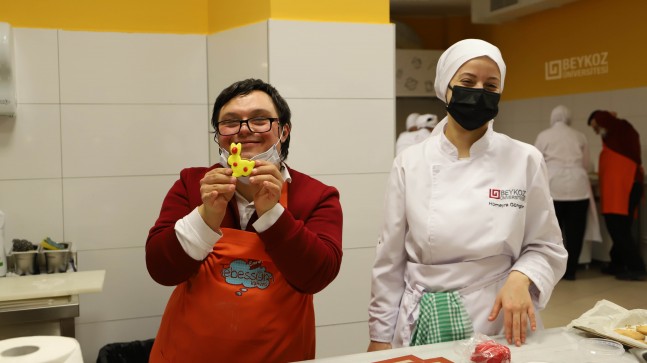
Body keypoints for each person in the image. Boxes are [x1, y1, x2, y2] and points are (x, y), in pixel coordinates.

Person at [368, 39, 567, 352]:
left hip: (500, 316)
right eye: (467, 82)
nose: (479, 92)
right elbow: (390, 261)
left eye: (491, 84)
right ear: (446, 88)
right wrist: (380, 335)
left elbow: (547, 245)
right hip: (426, 317)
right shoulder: (411, 161)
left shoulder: (525, 158)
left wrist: (521, 276)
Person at [146, 79, 344, 362]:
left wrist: (273, 215)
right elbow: (161, 269)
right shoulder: (192, 184)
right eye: (230, 122)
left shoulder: (316, 196)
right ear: (219, 135)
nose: (244, 131)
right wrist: (207, 215)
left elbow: (318, 275)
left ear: (283, 131)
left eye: (260, 120)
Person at [534, 105, 600, 280]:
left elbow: (537, 163)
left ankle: (552, 271)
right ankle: (570, 271)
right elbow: (587, 164)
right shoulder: (580, 136)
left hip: (553, 187)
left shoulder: (544, 136)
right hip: (579, 189)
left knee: (552, 232)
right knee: (575, 232)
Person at [588, 110, 646, 281]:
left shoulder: (621, 131)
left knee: (619, 230)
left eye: (596, 126)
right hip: (620, 190)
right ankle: (617, 264)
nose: (597, 131)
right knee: (620, 230)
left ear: (604, 121)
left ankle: (637, 268)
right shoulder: (614, 137)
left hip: (625, 189)